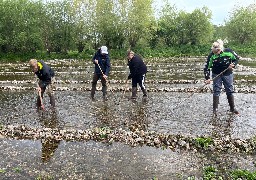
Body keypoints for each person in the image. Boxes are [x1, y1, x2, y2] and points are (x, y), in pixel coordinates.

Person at [204, 41, 239, 115]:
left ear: (220, 49)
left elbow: (236, 58)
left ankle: (232, 108)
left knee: (229, 90)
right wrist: (207, 78)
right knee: (216, 90)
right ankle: (215, 110)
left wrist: (233, 65)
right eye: (214, 52)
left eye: (216, 52)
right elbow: (207, 67)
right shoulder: (211, 55)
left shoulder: (229, 51)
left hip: (227, 73)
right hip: (216, 74)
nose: (215, 54)